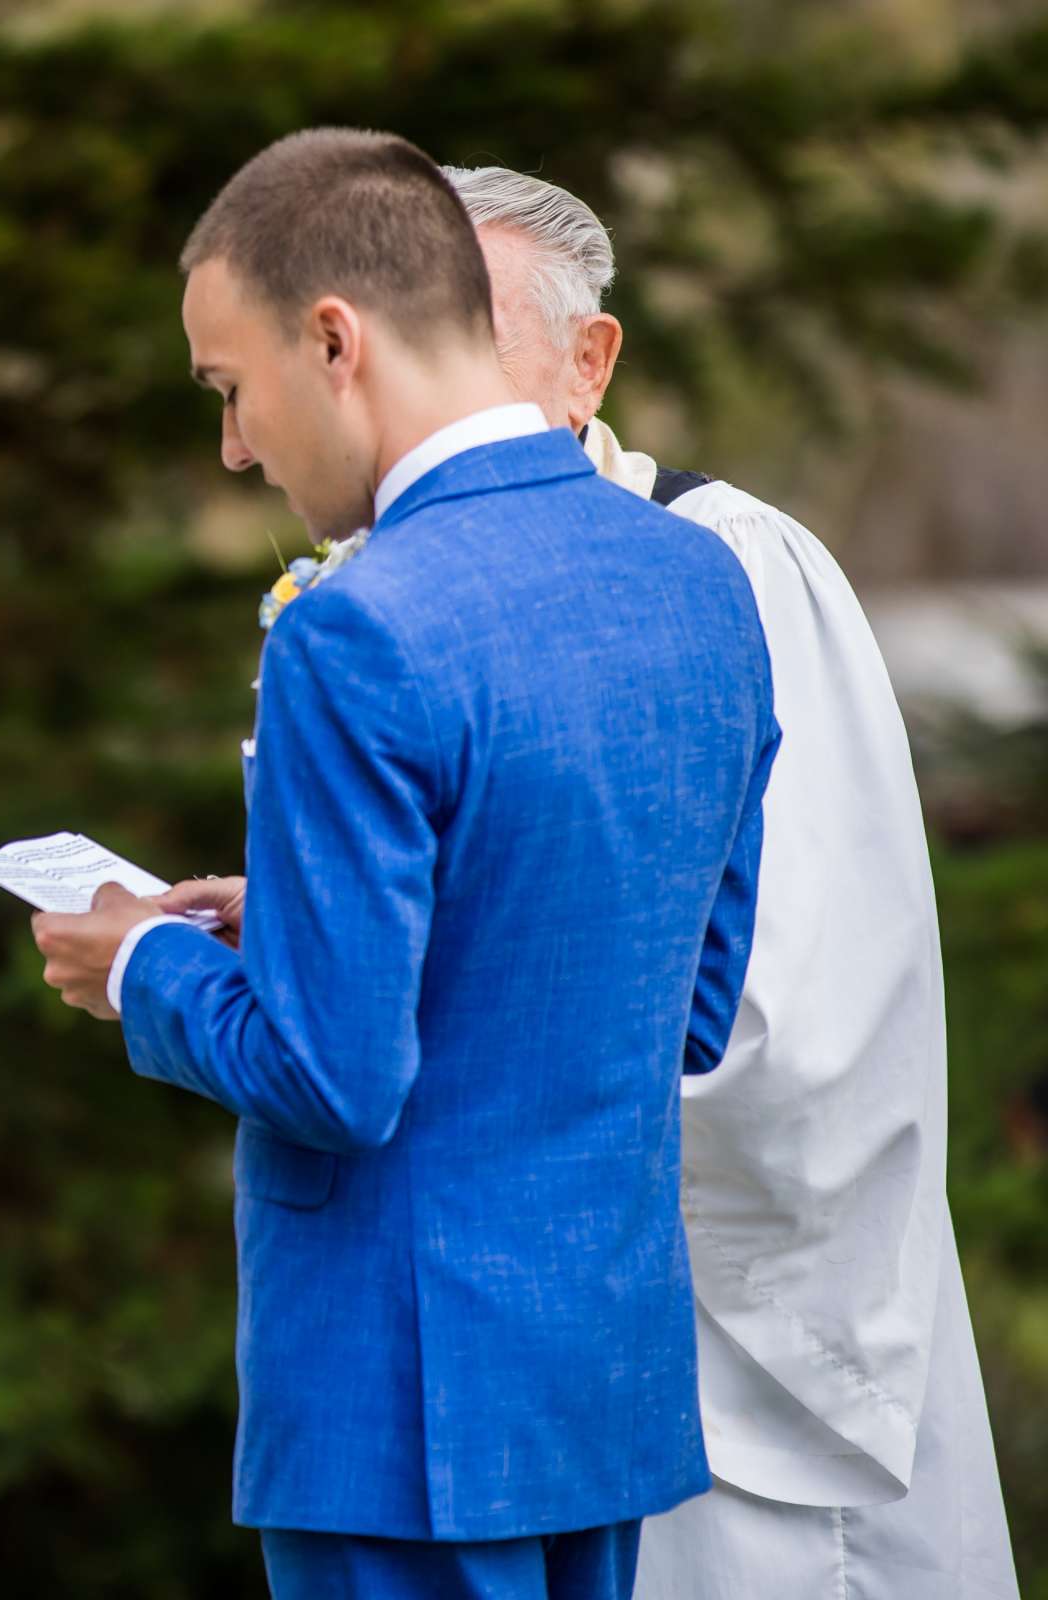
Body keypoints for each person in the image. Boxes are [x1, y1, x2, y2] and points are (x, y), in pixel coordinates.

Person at [30, 130, 779, 1600]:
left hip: (401, 1405)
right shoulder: (698, 576)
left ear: (333, 340)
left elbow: (333, 1079)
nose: (234, 448)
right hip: (596, 1384)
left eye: (229, 390)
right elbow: (677, 1003)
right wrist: (309, 925)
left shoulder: (358, 626)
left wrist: (143, 959)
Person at [447, 162, 1020, 1599]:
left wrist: (424, 1046)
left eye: (473, 329)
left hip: (716, 1346)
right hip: (494, 1327)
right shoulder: (397, 594)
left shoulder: (728, 573)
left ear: (590, 363)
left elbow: (799, 1003)